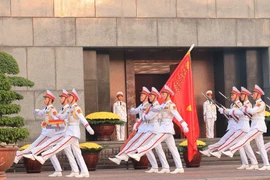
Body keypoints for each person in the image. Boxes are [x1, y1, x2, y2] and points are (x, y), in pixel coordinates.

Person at [33, 88, 95, 178]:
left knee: (60, 145)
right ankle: (83, 171)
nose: (68, 98)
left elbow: (82, 118)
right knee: (77, 153)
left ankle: (44, 156)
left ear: (74, 98)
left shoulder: (76, 108)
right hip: (69, 132)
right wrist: (56, 115)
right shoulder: (70, 108)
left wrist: (89, 128)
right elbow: (62, 116)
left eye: (70, 97)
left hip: (73, 133)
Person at [128, 85, 189, 174]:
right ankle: (176, 167)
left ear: (168, 95)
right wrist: (148, 109)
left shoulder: (171, 105)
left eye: (164, 94)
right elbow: (157, 109)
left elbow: (177, 115)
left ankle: (139, 153)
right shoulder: (163, 105)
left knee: (153, 142)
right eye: (162, 94)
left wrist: (184, 124)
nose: (162, 96)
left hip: (166, 129)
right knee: (173, 148)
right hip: (162, 128)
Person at [24, 89, 80, 177]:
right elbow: (57, 121)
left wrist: (49, 124)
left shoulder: (68, 109)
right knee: (68, 152)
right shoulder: (62, 110)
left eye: (62, 98)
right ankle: (71, 170)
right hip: (62, 132)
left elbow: (64, 121)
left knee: (69, 152)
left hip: (66, 133)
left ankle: (74, 170)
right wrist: (47, 124)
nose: (60, 99)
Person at [223, 85, 270, 170]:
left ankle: (232, 150)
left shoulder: (261, 103)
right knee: (261, 146)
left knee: (245, 138)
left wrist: (244, 109)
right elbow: (242, 112)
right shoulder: (255, 104)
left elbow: (252, 111)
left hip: (259, 126)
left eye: (254, 93)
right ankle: (266, 164)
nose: (252, 95)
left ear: (259, 94)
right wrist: (227, 111)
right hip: (254, 125)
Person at [211, 87, 258, 170]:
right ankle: (250, 163)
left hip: (244, 126)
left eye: (242, 95)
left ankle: (221, 151)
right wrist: (227, 111)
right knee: (246, 146)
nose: (241, 96)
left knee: (233, 139)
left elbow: (241, 113)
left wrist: (228, 111)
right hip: (241, 125)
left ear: (246, 96)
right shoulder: (243, 105)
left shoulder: (247, 104)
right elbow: (237, 114)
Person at [125, 87, 170, 173]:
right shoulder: (149, 106)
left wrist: (141, 119)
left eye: (151, 96)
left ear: (155, 97)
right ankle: (155, 166)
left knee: (157, 148)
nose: (149, 97)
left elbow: (149, 117)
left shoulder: (156, 106)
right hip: (150, 129)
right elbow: (137, 112)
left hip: (155, 129)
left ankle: (165, 167)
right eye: (149, 96)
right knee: (149, 148)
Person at [14, 90, 59, 168]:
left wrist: (48, 124)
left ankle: (19, 155)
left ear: (50, 100)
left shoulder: (52, 110)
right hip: (46, 132)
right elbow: (40, 113)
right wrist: (36, 111)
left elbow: (57, 121)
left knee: (34, 145)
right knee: (51, 153)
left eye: (46, 99)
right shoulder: (47, 109)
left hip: (48, 133)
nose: (44, 100)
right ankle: (58, 170)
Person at [109, 87, 150, 165]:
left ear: (146, 97)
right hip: (142, 129)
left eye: (142, 95)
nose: (140, 97)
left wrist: (137, 122)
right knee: (132, 143)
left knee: (136, 144)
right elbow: (134, 111)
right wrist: (131, 110)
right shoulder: (142, 105)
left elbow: (146, 117)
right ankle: (120, 157)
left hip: (148, 129)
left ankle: (125, 156)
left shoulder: (148, 106)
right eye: (141, 95)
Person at [200, 87, 240, 157]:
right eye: (231, 95)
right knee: (226, 141)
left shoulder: (238, 105)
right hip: (233, 126)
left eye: (233, 95)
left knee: (227, 141)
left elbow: (235, 113)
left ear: (237, 96)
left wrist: (224, 111)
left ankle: (216, 151)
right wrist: (225, 111)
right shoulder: (232, 105)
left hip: (237, 127)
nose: (231, 96)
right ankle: (210, 150)